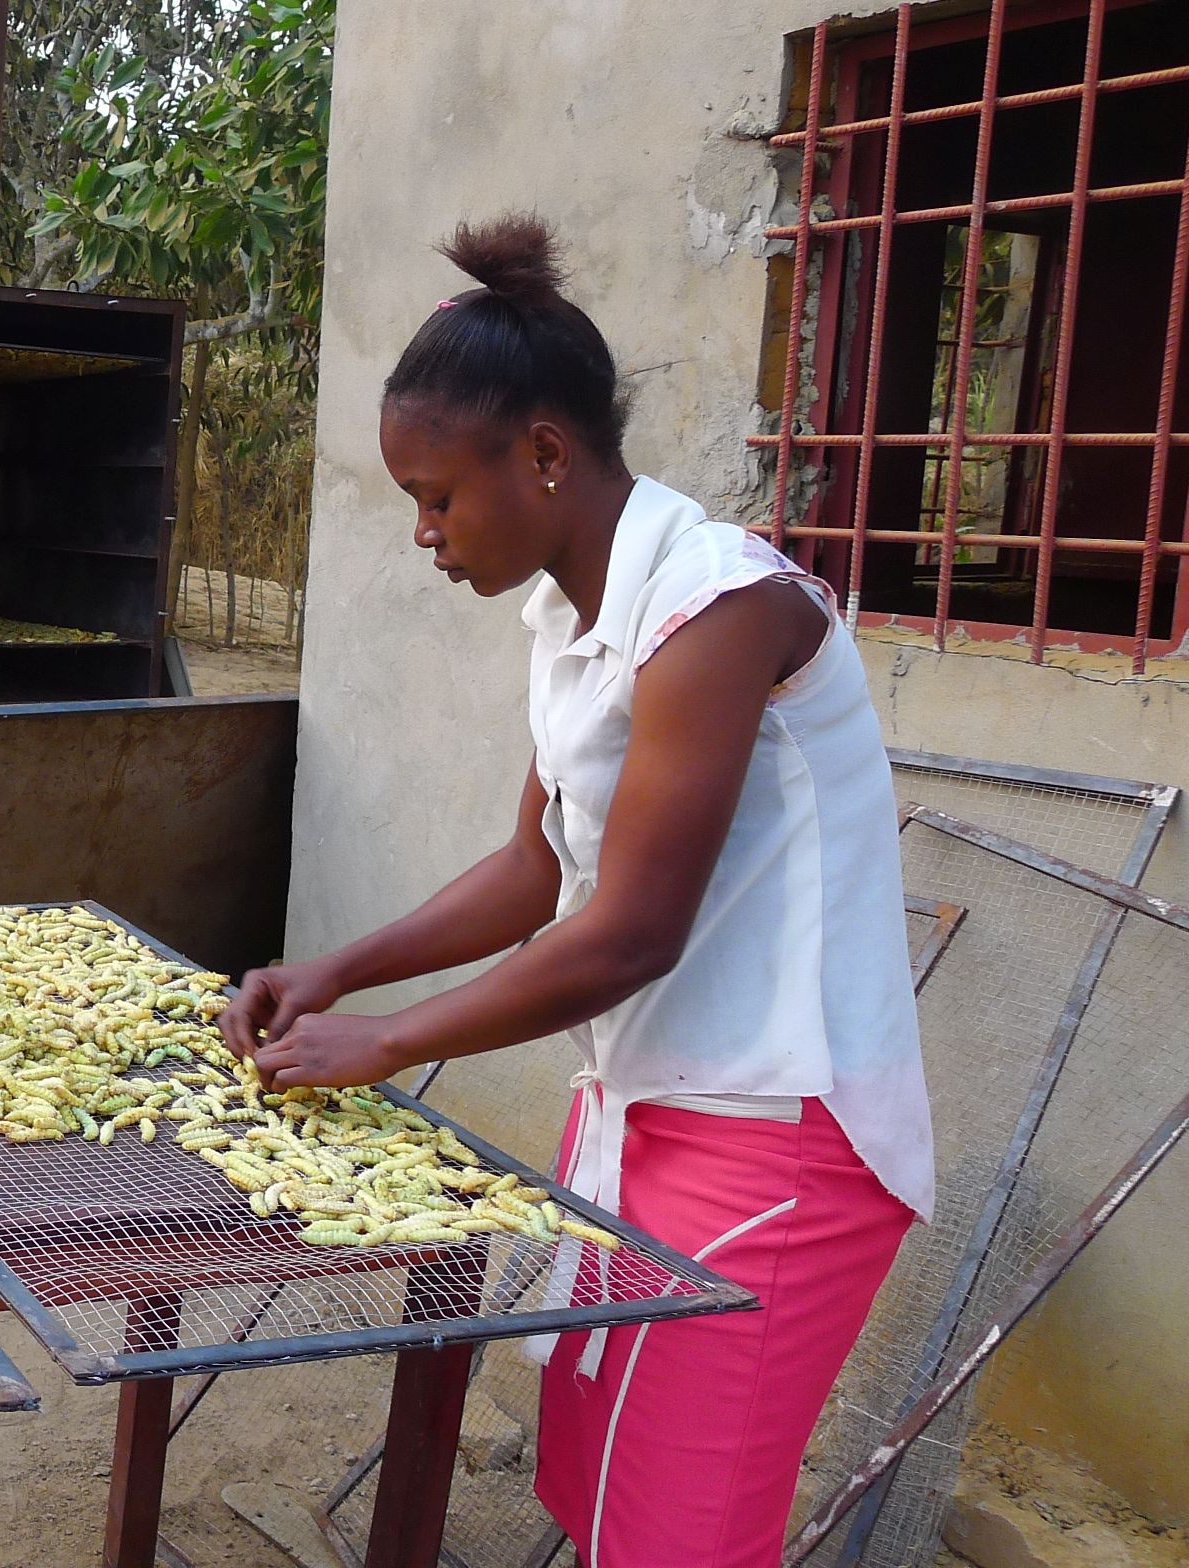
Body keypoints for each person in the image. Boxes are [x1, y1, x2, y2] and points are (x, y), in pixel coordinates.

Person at [219, 215, 933, 1567]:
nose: (424, 533)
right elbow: (534, 869)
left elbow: (632, 932)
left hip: (778, 1135)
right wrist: (336, 971)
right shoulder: (569, 616)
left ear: (544, 454)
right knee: (605, 1495)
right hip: (650, 1114)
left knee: (682, 1534)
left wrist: (389, 1041)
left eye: (439, 496)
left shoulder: (719, 604)